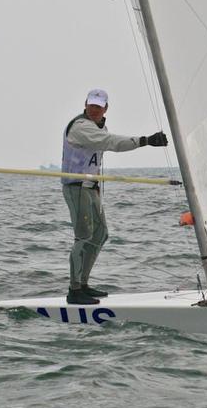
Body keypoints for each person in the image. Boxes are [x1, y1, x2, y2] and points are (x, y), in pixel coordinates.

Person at [62, 88, 168, 305]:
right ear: (85, 105)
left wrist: (98, 187)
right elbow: (111, 143)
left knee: (100, 234)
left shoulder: (99, 127)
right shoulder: (81, 127)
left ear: (105, 108)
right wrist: (146, 140)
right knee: (83, 237)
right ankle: (74, 290)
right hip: (76, 187)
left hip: (91, 187)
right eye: (91, 105)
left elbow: (97, 156)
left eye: (98, 107)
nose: (94, 110)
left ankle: (83, 284)